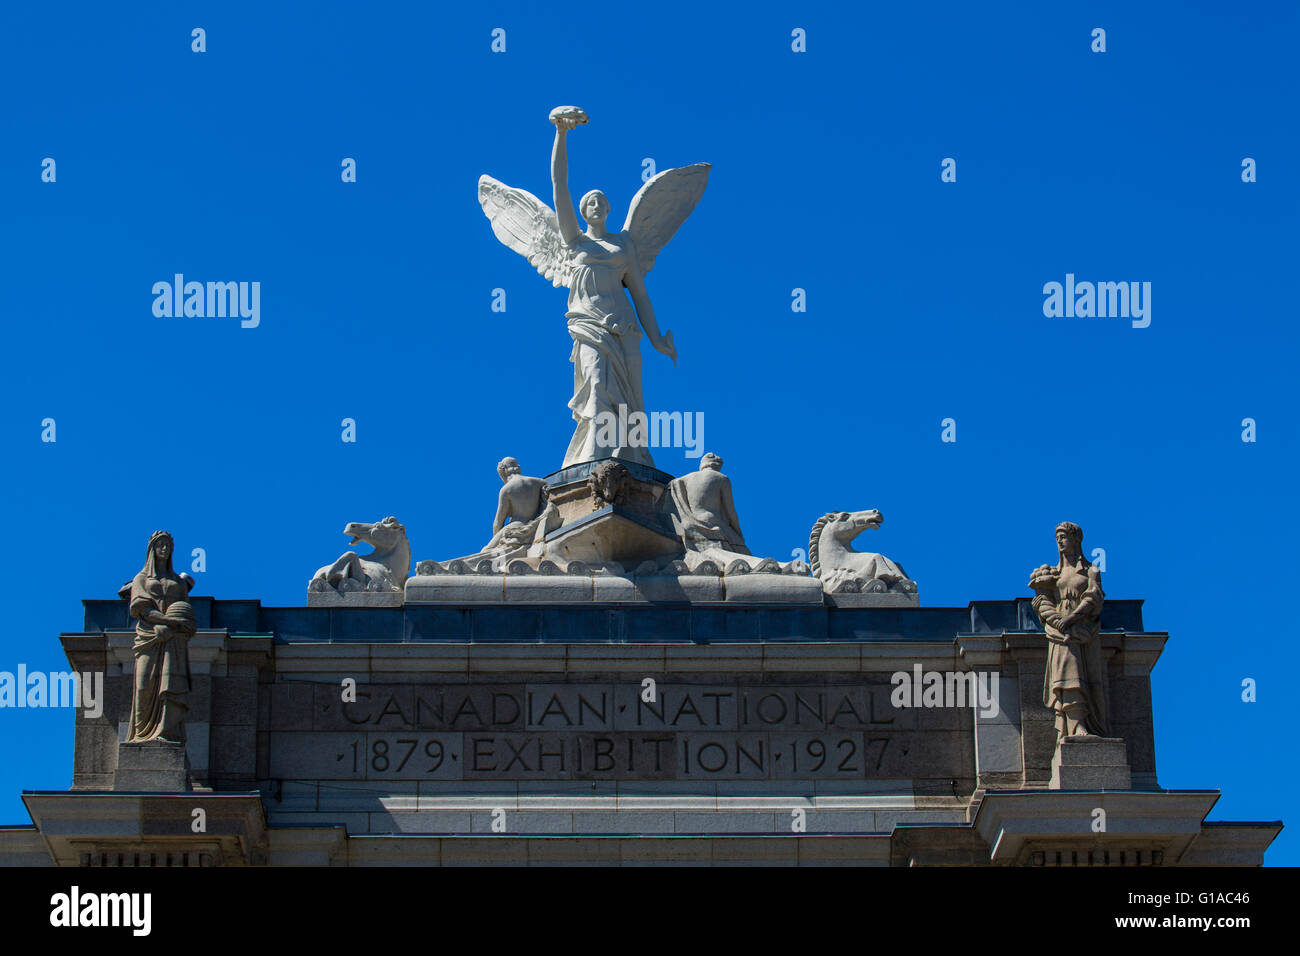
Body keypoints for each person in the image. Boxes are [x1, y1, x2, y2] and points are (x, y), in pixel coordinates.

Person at [551, 110, 676, 466]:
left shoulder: (624, 246)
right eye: (590, 201)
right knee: (596, 386)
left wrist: (656, 339)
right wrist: (561, 134)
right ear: (582, 210)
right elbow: (560, 187)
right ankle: (592, 455)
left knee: (632, 398)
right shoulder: (574, 241)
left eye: (602, 201)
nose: (597, 204)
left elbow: (640, 294)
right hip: (590, 327)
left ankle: (633, 458)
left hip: (624, 326)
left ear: (609, 209)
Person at [1029, 522, 1108, 742]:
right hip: (1060, 634)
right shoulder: (1055, 574)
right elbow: (1041, 600)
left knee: (1089, 680)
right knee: (1068, 677)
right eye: (1058, 538)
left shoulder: (1091, 570)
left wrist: (1070, 619)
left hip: (1084, 630)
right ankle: (1076, 725)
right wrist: (1057, 619)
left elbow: (1094, 597)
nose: (1060, 541)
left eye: (1064, 536)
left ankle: (1089, 724)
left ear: (1076, 539)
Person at [120, 531, 196, 743]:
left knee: (170, 686)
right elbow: (141, 609)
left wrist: (173, 628)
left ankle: (166, 732)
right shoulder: (141, 578)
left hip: (173, 641)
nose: (164, 549)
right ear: (152, 549)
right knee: (144, 685)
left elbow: (187, 617)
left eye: (168, 545)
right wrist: (168, 623)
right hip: (148, 638)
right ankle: (141, 736)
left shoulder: (178, 583)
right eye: (160, 545)